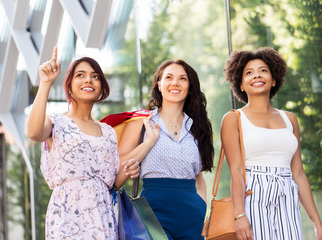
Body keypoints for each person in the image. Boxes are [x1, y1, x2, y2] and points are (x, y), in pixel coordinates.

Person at [26, 47, 139, 239]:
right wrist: (45, 83)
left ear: (102, 87)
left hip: (102, 218)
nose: (88, 79)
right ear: (69, 86)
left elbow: (111, 184)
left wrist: (128, 171)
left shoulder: (108, 132)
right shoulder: (56, 122)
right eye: (80, 75)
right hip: (66, 218)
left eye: (95, 76)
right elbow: (34, 133)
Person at [221, 47, 322, 240]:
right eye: (249, 73)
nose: (256, 75)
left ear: (273, 79)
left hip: (287, 192)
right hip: (253, 194)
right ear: (240, 84)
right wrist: (240, 215)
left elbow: (298, 173)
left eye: (263, 70)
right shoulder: (233, 119)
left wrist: (317, 222)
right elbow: (236, 171)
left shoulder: (290, 119)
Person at [118, 59, 214, 239]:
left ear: (189, 86)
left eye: (182, 78)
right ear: (159, 85)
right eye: (168, 77)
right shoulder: (141, 122)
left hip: (193, 215)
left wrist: (202, 205)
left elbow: (198, 176)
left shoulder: (197, 128)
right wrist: (148, 143)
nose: (175, 83)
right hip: (153, 212)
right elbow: (118, 168)